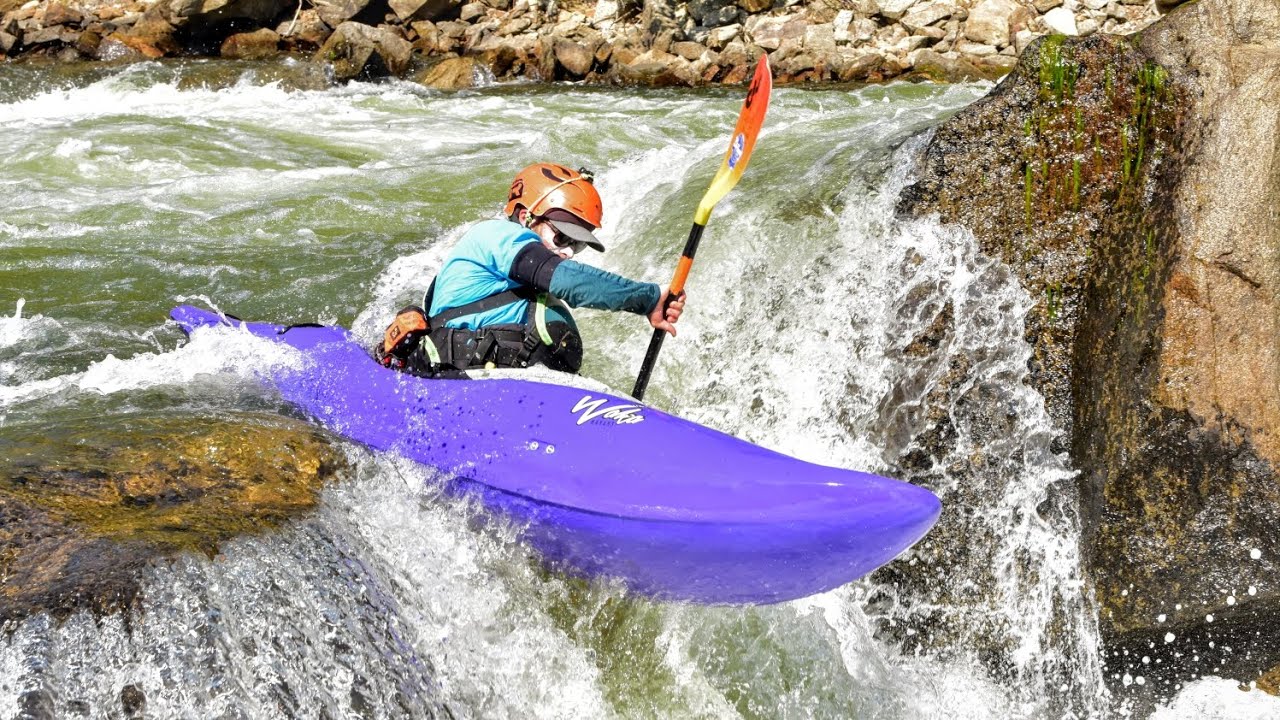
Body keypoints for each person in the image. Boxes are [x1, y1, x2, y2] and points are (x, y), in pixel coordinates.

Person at [377, 163, 685, 378]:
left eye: (576, 246)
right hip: (456, 383)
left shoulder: (515, 280)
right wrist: (648, 298)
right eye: (562, 237)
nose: (566, 252)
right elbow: (571, 282)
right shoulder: (499, 236)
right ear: (526, 217)